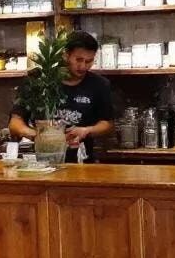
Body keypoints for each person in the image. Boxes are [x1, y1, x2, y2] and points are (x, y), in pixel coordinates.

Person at [8, 31, 114, 162]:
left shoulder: (99, 84)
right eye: (79, 60)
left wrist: (86, 130)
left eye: (89, 61)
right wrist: (40, 136)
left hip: (81, 161)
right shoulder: (38, 80)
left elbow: (107, 123)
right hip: (41, 161)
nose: (83, 66)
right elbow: (15, 123)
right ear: (65, 55)